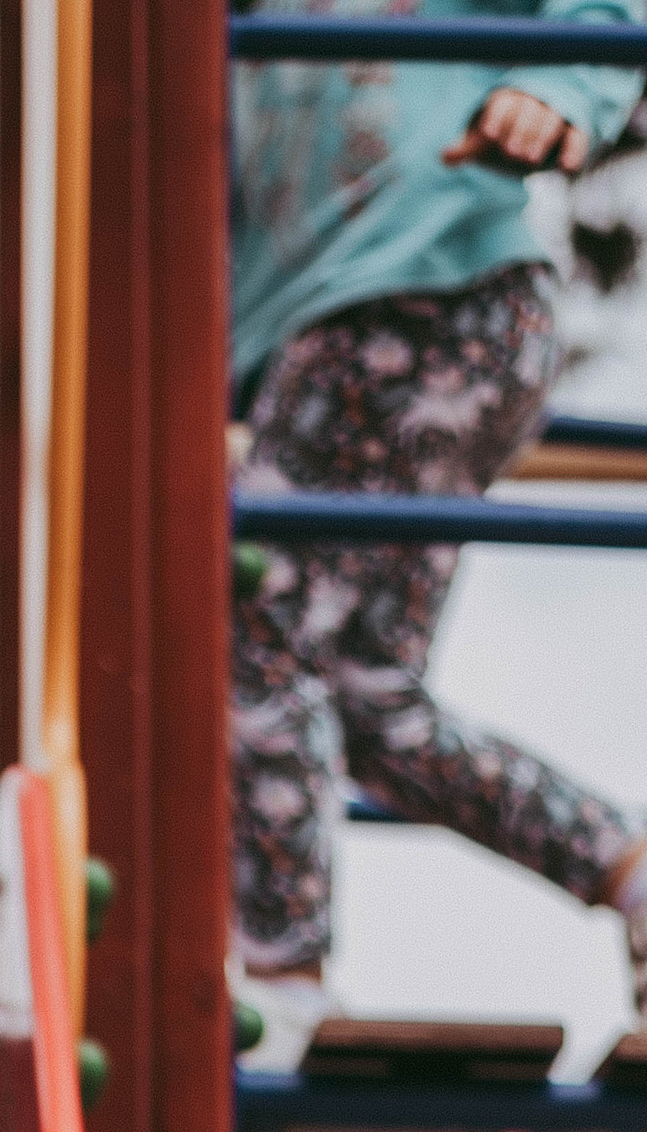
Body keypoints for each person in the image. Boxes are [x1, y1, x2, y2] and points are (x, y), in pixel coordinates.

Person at [231, 0, 647, 1060]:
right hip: (385, 323)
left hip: (422, 287)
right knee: (372, 701)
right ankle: (628, 874)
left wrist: (557, 92)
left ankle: (279, 973)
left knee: (251, 629)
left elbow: (602, 12)